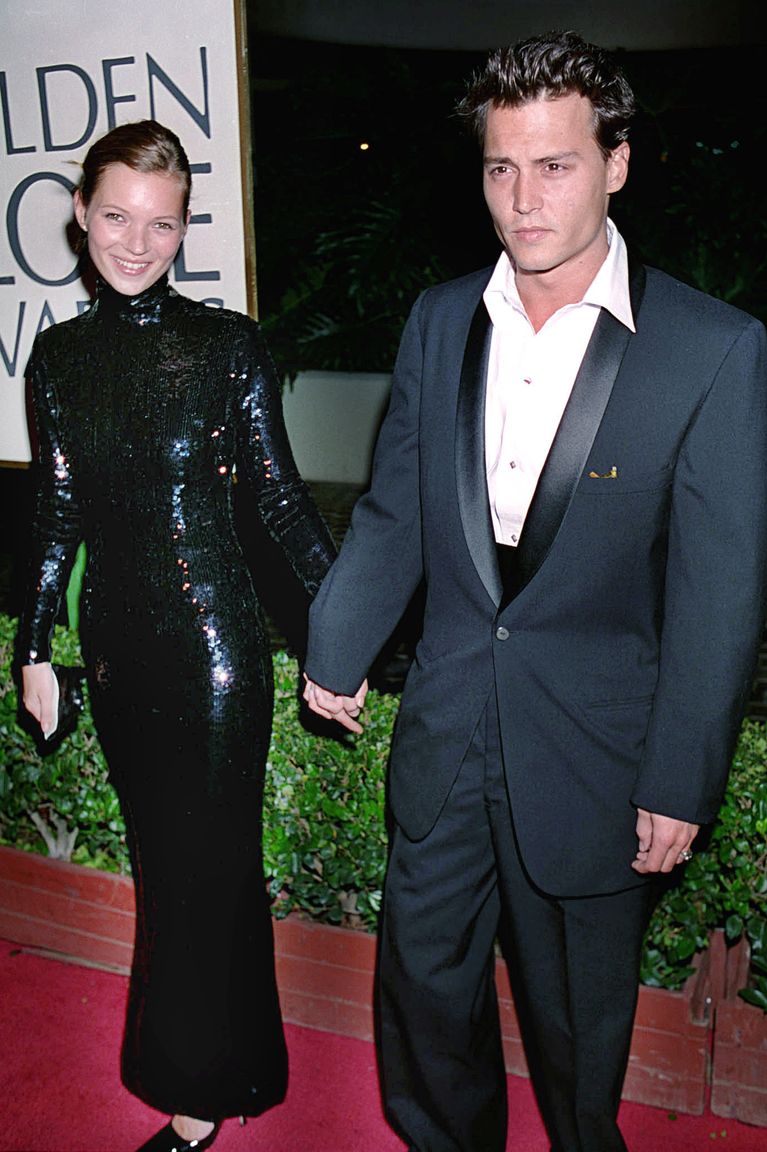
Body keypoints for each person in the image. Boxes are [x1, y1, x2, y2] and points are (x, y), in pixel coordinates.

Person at [302, 29, 767, 1152]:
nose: (523, 197)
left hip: (598, 759)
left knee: (574, 1034)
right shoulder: (440, 317)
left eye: (554, 164)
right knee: (423, 993)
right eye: (501, 166)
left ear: (616, 162)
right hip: (452, 725)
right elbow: (397, 508)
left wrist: (680, 776)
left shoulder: (711, 347)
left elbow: (720, 589)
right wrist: (337, 641)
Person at [17, 120, 336, 1152]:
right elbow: (56, 515)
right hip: (118, 655)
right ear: (79, 214)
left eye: (160, 223)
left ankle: (203, 1100)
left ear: (186, 226)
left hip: (212, 653)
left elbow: (283, 506)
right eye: (115, 215)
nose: (134, 241)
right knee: (166, 867)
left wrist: (347, 626)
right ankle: (188, 1066)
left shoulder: (225, 345)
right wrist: (34, 648)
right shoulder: (58, 359)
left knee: (212, 869)